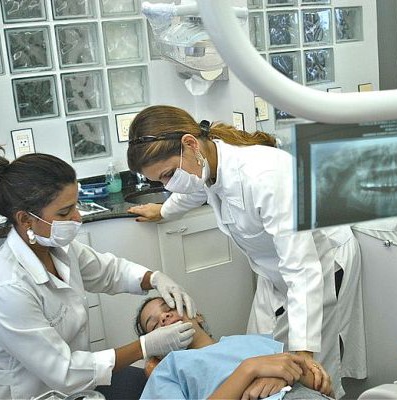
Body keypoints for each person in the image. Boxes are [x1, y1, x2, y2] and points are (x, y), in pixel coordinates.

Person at [126, 105, 367, 398]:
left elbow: (302, 270)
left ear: (190, 144)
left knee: (314, 372)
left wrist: (303, 353)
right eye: (161, 181)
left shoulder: (265, 175)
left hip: (319, 266)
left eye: (167, 175)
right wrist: (163, 211)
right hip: (273, 272)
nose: (168, 185)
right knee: (259, 352)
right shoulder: (205, 164)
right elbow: (193, 192)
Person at [0, 145, 198, 400]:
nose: (77, 218)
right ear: (26, 220)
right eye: (64, 212)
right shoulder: (5, 289)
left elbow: (110, 272)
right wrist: (146, 346)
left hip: (76, 385)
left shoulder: (57, 248)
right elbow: (65, 371)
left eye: (75, 205)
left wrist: (155, 278)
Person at [135, 296, 334, 400]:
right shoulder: (167, 370)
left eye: (170, 307)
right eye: (154, 325)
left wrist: (286, 377)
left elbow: (324, 387)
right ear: (155, 349)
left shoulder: (250, 341)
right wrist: (249, 370)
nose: (164, 317)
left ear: (198, 316)